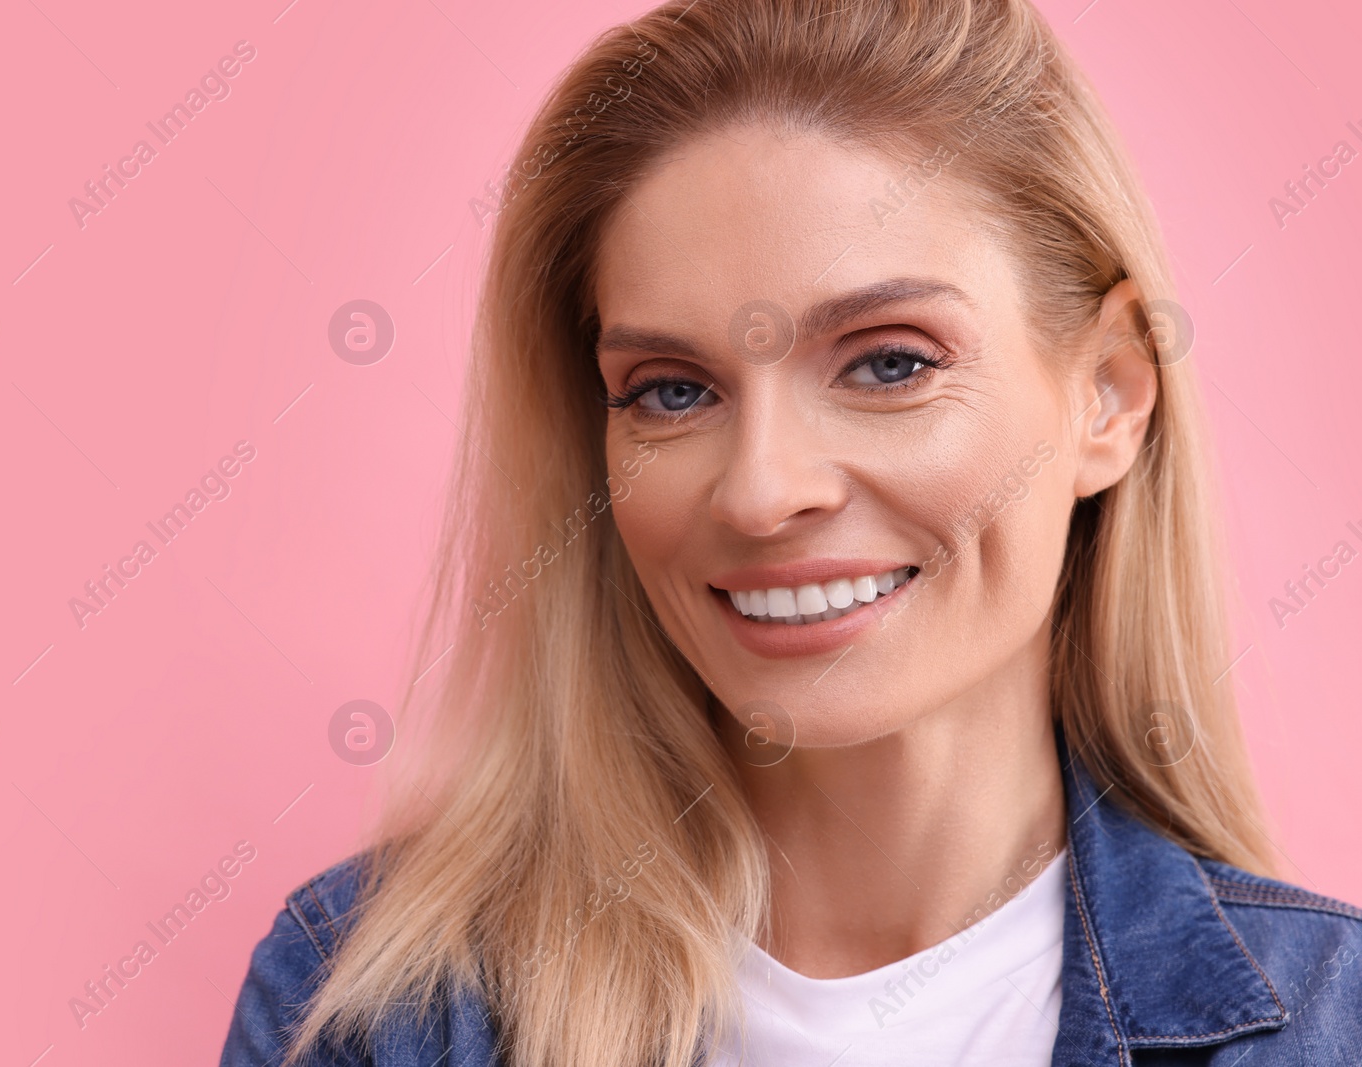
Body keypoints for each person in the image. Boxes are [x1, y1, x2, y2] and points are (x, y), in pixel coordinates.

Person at [220, 0, 1362, 1063]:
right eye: (670, 389)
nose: (761, 492)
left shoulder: (1333, 1016)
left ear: (1108, 393)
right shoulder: (381, 1006)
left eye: (889, 361)